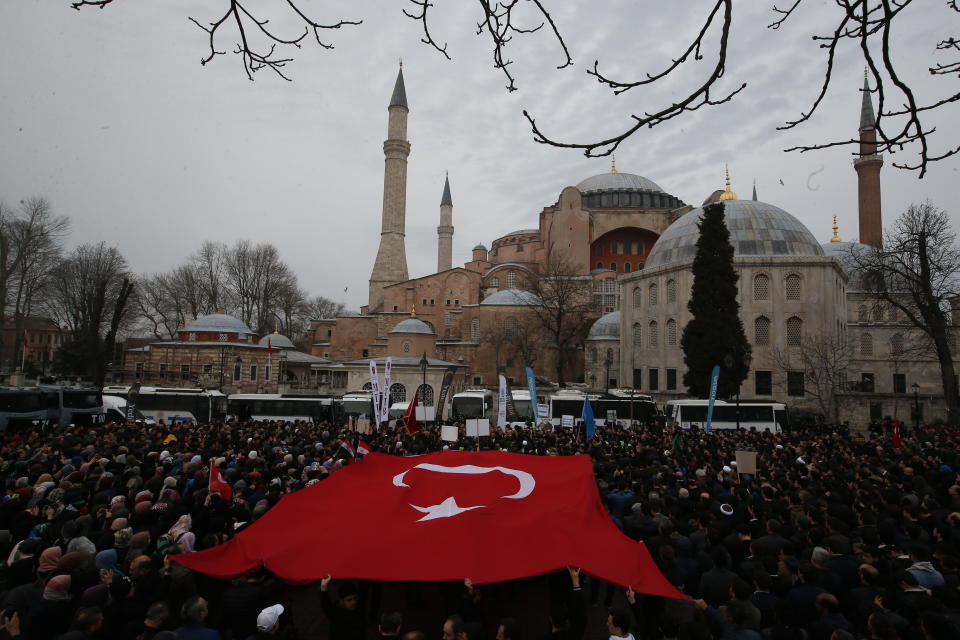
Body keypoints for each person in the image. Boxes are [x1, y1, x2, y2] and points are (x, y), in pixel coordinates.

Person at [320, 575, 364, 640]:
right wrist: (323, 586)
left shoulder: (358, 611)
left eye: (355, 598)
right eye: (349, 600)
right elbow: (326, 605)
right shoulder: (335, 613)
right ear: (341, 601)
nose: (353, 602)